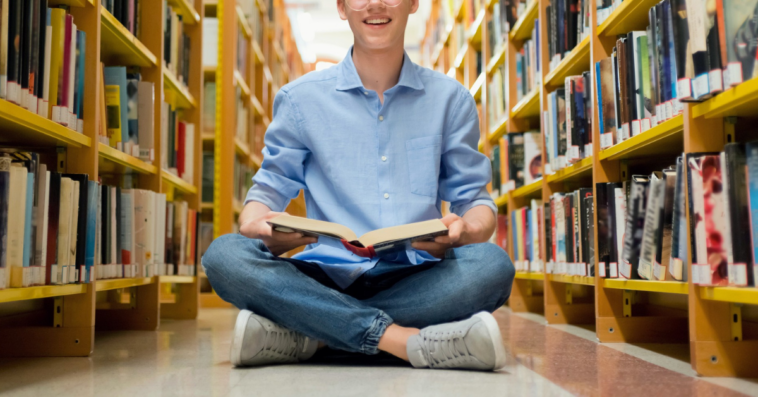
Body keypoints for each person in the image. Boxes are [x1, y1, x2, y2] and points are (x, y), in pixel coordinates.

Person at [201, 0, 515, 371]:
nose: (376, 5)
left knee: (492, 267)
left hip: (414, 274)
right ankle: (404, 340)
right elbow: (265, 193)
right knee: (225, 256)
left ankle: (312, 334)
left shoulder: (451, 99)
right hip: (325, 275)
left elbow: (475, 202)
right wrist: (258, 226)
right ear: (341, 6)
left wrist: (465, 230)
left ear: (413, 3)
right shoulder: (300, 99)